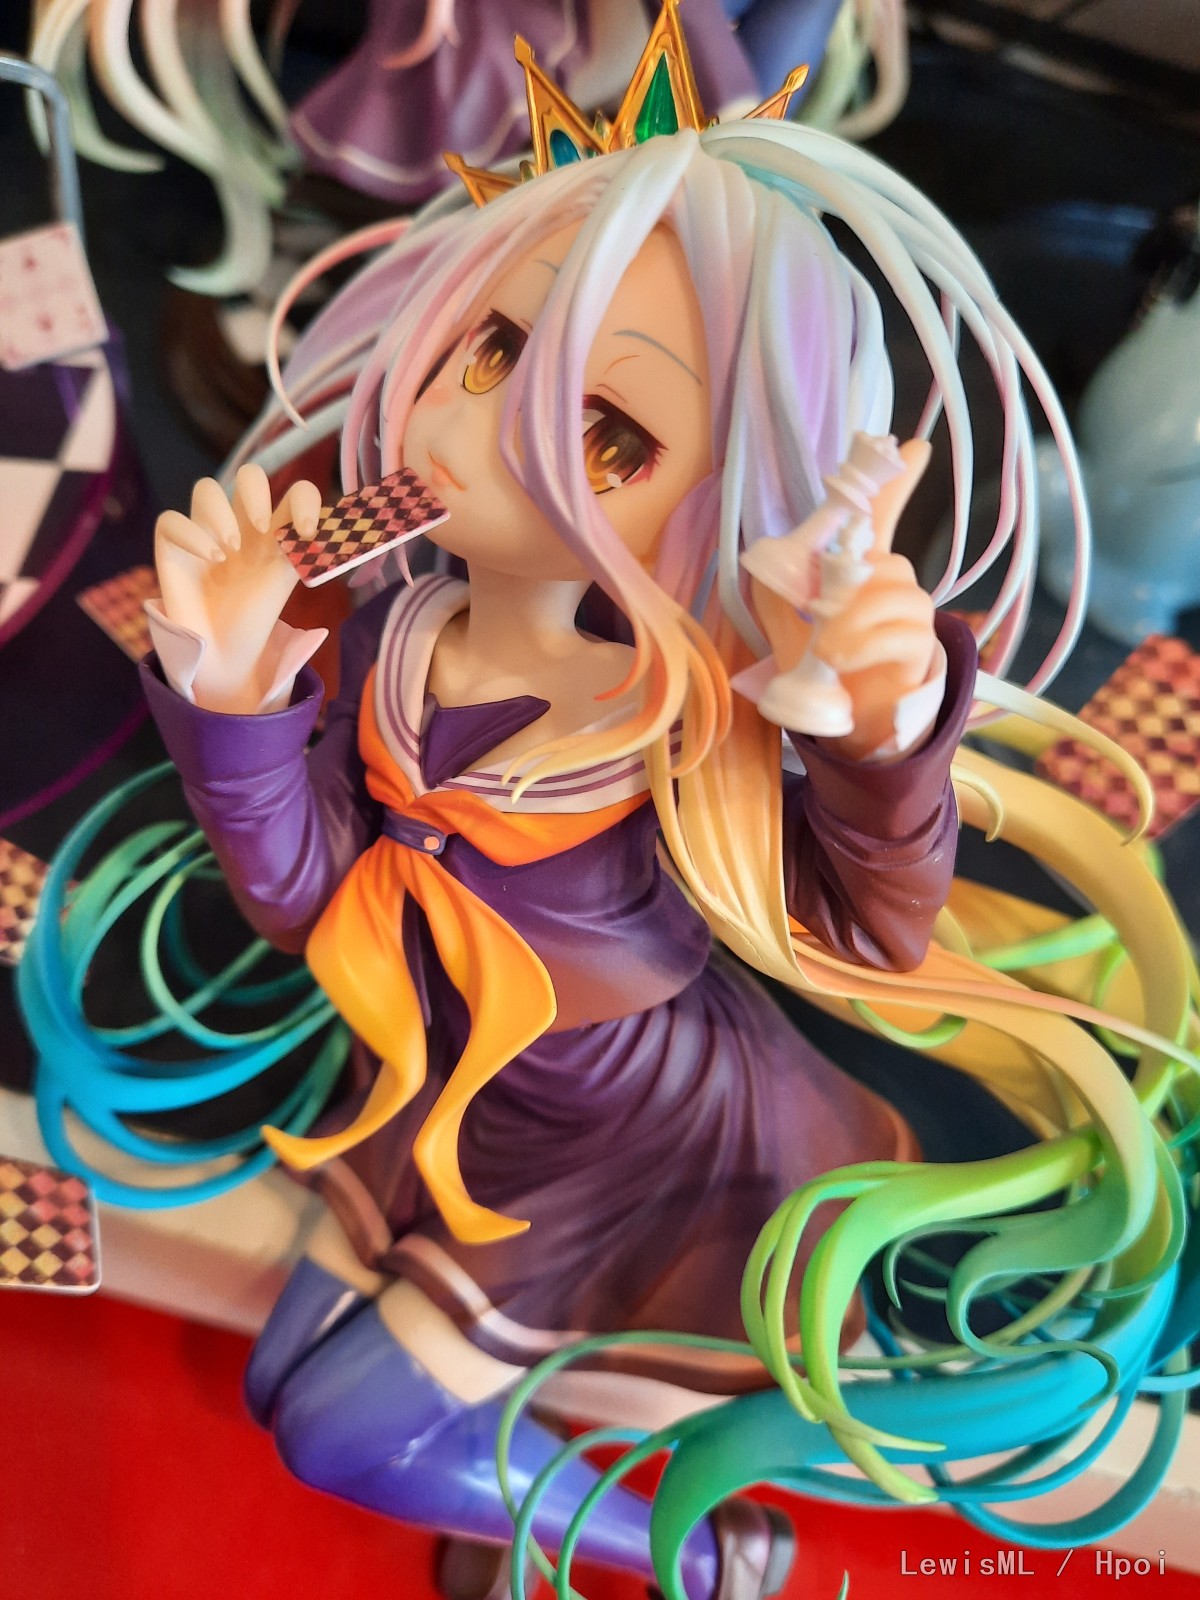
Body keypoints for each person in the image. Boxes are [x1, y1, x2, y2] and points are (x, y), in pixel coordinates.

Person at [24, 11, 1199, 1599]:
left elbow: (873, 927)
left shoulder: (675, 720)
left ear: (724, 501)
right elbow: (315, 913)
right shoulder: (396, 635)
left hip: (628, 1158)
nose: (487, 426)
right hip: (438, 1101)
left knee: (338, 1435)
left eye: (612, 431)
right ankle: (587, 1519)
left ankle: (701, 1558)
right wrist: (239, 700)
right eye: (493, 350)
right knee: (292, 1385)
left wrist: (878, 728)